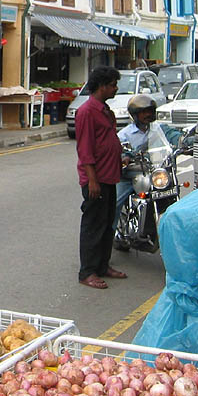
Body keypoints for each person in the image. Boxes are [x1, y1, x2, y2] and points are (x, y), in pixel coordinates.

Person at [75, 66, 127, 289]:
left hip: (110, 175)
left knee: (107, 224)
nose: (115, 89)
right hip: (96, 179)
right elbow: (85, 148)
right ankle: (87, 271)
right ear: (102, 86)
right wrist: (92, 179)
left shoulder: (105, 110)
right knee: (93, 226)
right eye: (113, 85)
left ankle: (102, 265)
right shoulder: (87, 111)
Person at [114, 94, 182, 231]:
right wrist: (124, 156)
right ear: (135, 115)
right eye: (144, 112)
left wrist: (185, 143)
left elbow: (175, 137)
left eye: (150, 111)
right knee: (114, 203)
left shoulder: (160, 129)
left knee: (174, 193)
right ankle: (110, 235)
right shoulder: (124, 134)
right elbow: (118, 149)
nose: (148, 115)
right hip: (132, 175)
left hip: (155, 173)